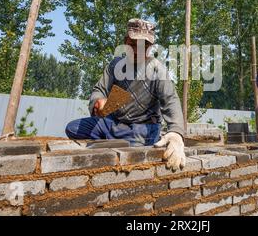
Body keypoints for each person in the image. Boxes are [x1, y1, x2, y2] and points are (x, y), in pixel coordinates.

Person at [65, 18, 186, 171]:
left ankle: (115, 145)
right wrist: (98, 102)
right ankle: (113, 142)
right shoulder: (116, 65)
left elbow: (171, 101)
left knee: (130, 158)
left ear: (150, 47)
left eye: (144, 46)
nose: (137, 50)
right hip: (114, 124)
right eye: (133, 44)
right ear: (125, 41)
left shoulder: (157, 69)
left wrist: (176, 133)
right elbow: (99, 90)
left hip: (141, 128)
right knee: (73, 128)